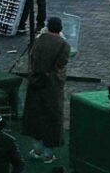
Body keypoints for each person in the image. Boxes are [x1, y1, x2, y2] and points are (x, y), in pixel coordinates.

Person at [22, 17, 71, 164]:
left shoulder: (39, 40)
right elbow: (60, 65)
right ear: (60, 28)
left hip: (35, 84)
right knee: (51, 118)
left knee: (35, 116)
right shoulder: (64, 45)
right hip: (52, 86)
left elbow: (32, 58)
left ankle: (37, 150)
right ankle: (48, 155)